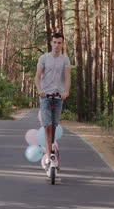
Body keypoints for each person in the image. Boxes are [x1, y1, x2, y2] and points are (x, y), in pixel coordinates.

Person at [34, 33, 71, 169]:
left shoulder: (65, 59)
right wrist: (39, 90)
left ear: (62, 44)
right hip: (45, 96)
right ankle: (49, 157)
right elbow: (37, 77)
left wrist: (66, 91)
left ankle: (52, 151)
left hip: (58, 96)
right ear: (51, 43)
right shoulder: (44, 58)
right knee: (47, 125)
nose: (57, 45)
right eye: (55, 42)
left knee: (54, 126)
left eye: (59, 43)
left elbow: (67, 77)